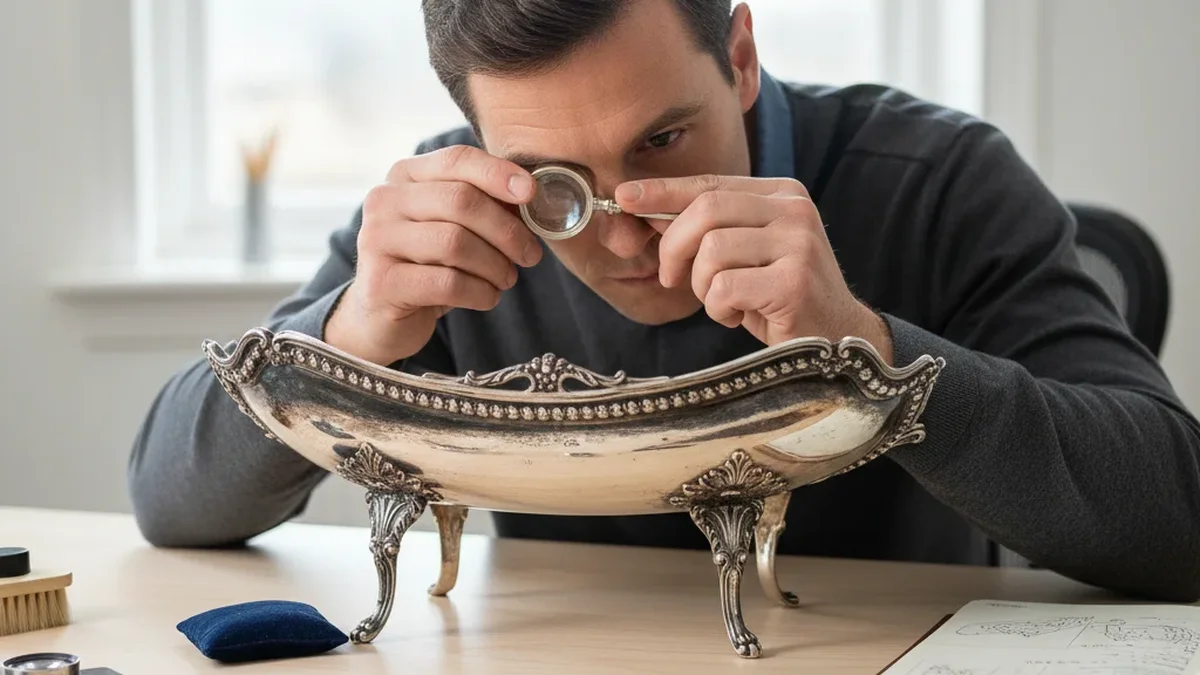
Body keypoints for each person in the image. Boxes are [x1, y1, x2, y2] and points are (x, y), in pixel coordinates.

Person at [127, 0, 1200, 602]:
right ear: (483, 140)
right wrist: (348, 335)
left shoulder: (940, 180)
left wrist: (867, 350)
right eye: (553, 182)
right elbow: (173, 501)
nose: (620, 233)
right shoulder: (458, 213)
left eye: (664, 139)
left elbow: (1179, 520)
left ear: (740, 56)